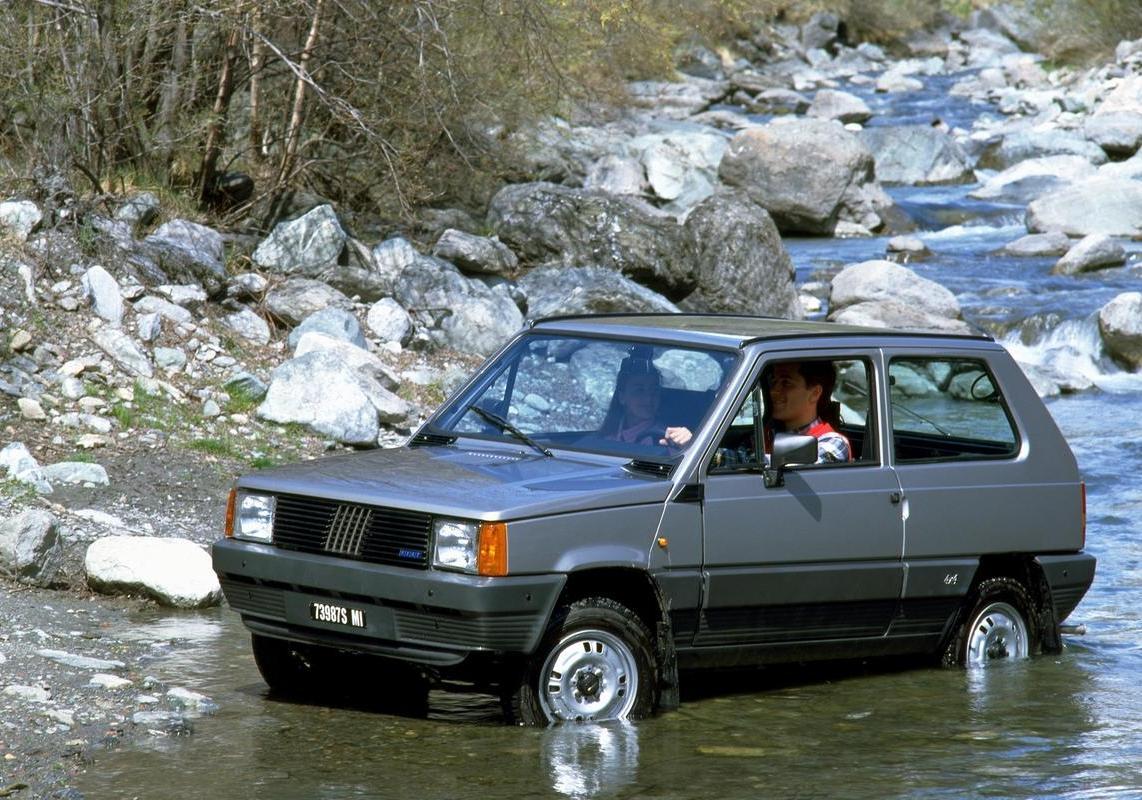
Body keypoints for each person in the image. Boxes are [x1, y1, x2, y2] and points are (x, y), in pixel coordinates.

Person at [765, 361, 851, 464]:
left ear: (815, 393)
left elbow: (798, 470)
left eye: (786, 383)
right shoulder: (767, 434)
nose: (774, 391)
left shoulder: (834, 442)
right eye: (773, 382)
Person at [598, 357, 693, 448]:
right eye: (639, 390)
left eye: (654, 390)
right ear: (622, 397)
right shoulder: (605, 435)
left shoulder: (666, 438)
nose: (649, 398)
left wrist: (688, 444)